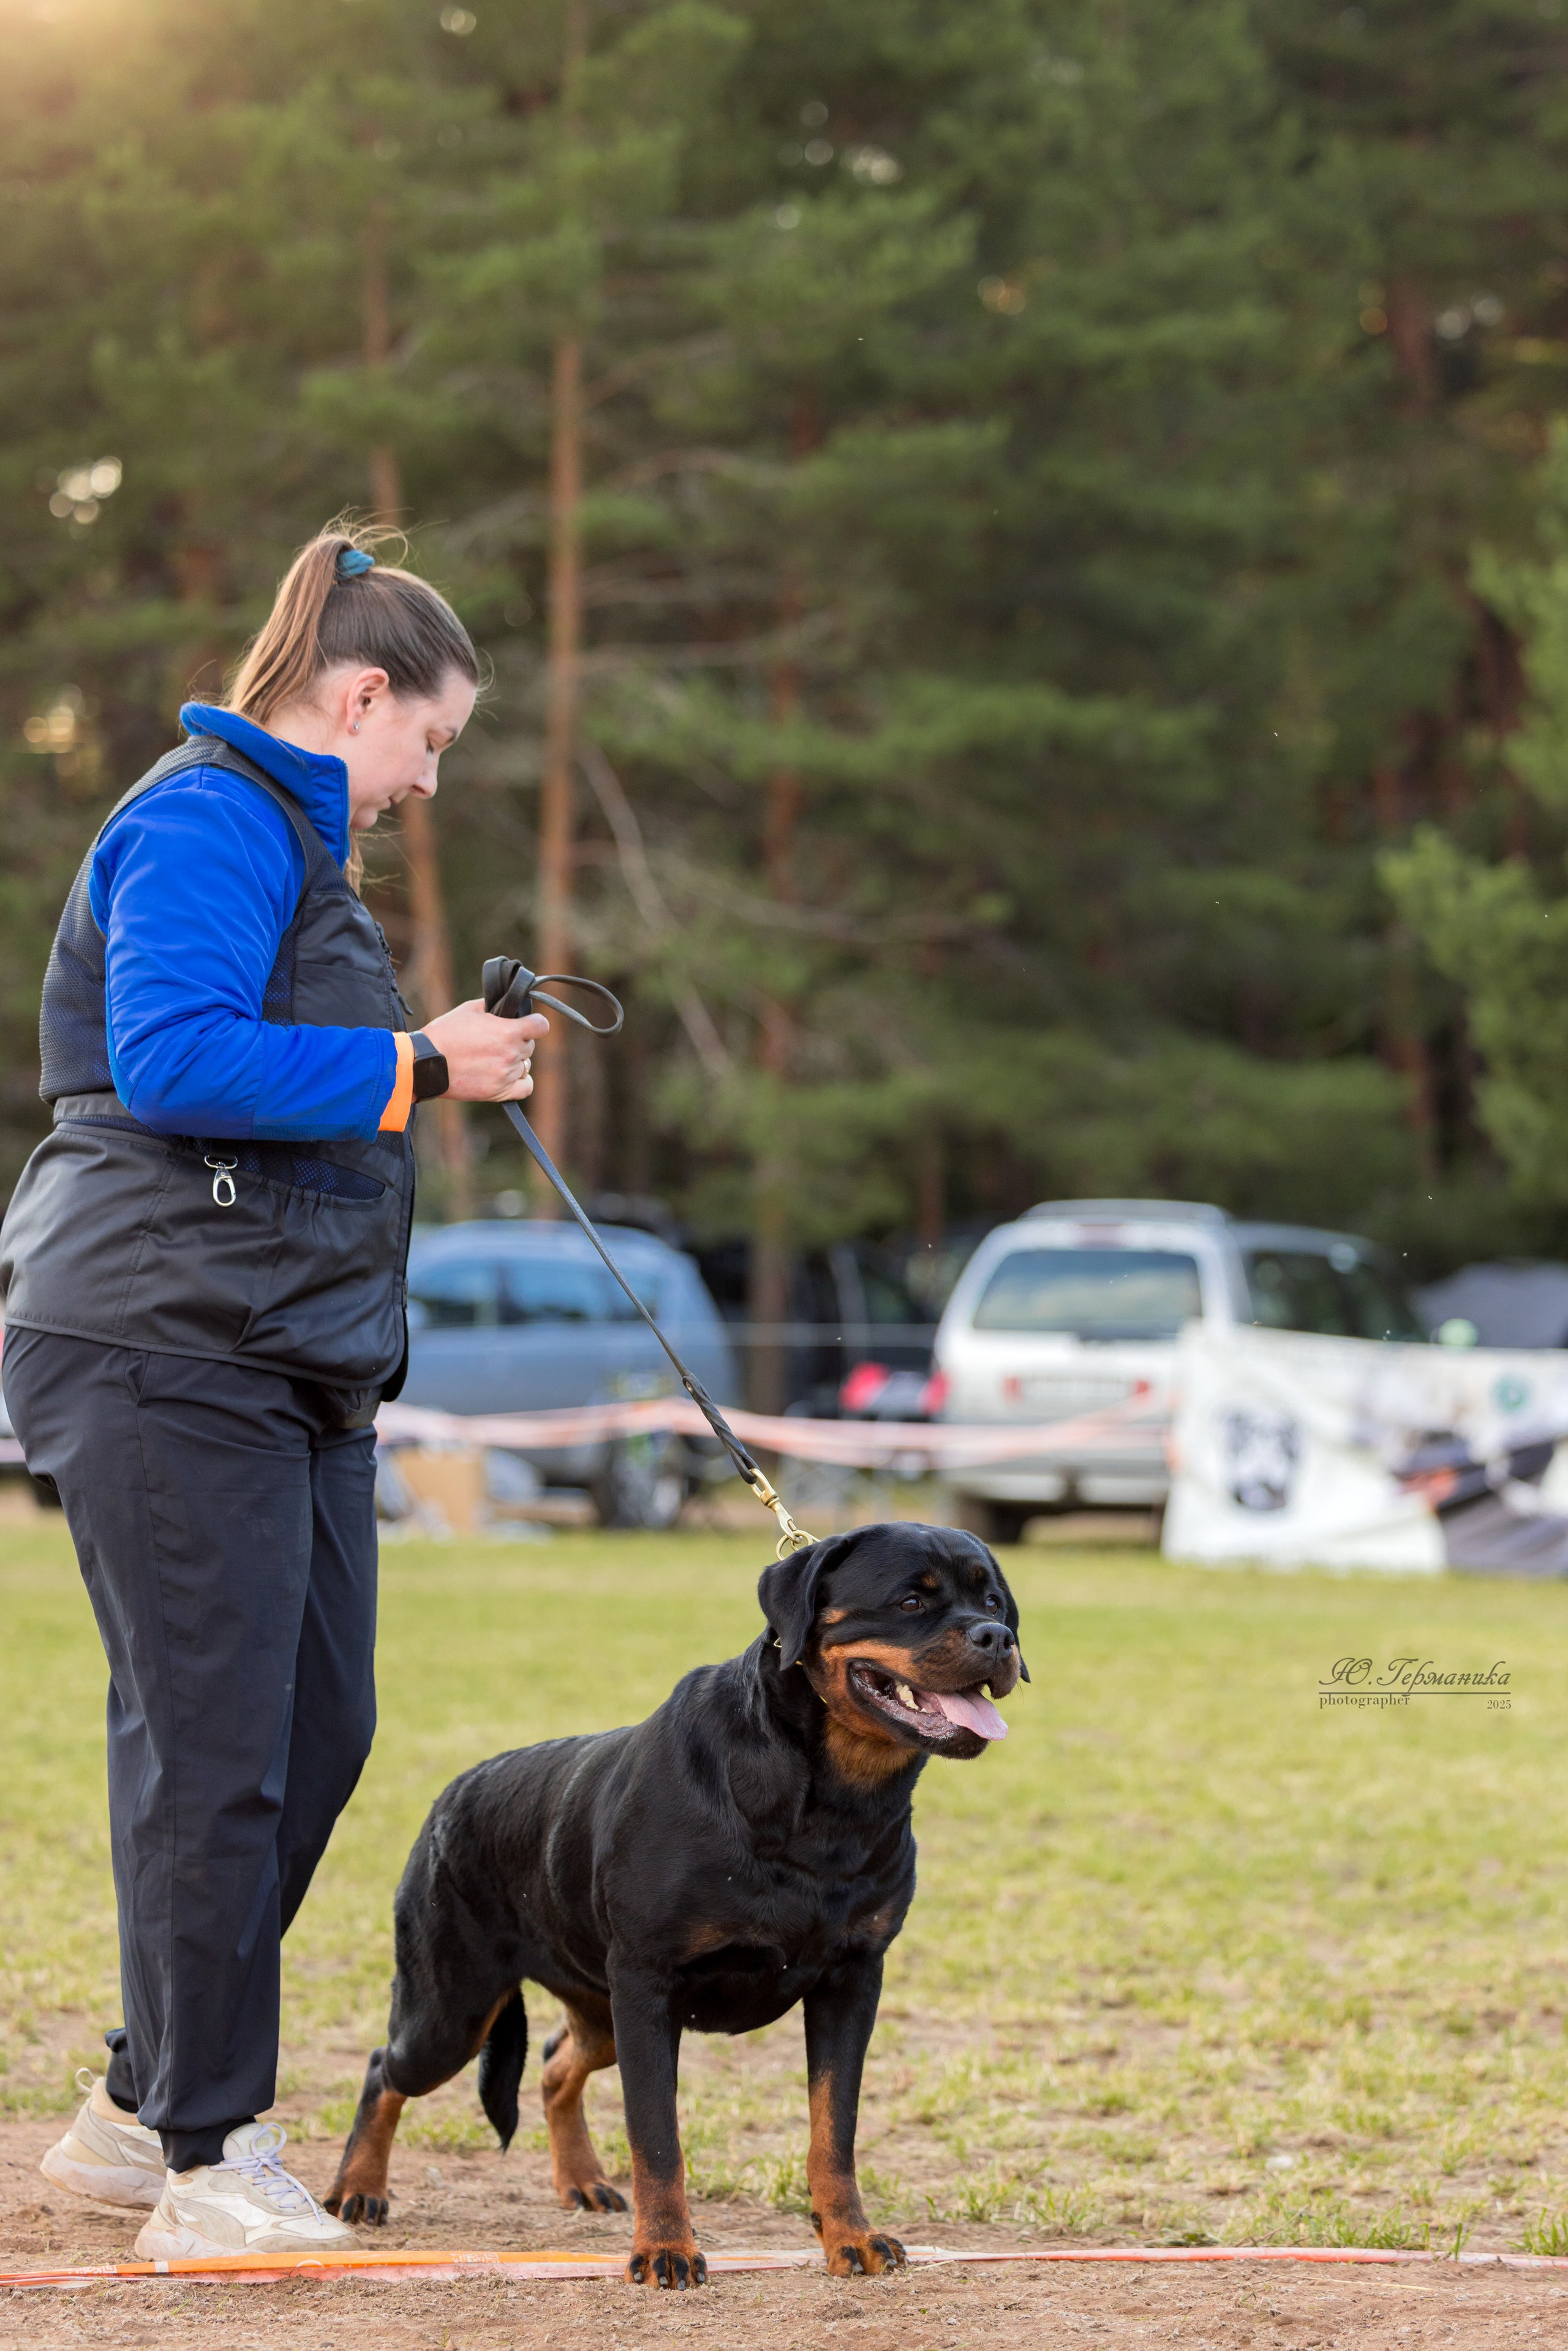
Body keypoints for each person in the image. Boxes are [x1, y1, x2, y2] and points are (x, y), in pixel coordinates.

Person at [0, 524, 548, 2260]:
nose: (429, 780)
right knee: (214, 1750)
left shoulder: (300, 863)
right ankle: (207, 2160)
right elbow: (167, 1060)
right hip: (161, 1345)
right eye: (431, 741)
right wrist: (410, 1061)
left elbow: (287, 1077)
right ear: (361, 693)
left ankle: (130, 2111)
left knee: (319, 1727)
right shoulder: (200, 818)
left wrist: (420, 1063)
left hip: (284, 1356)